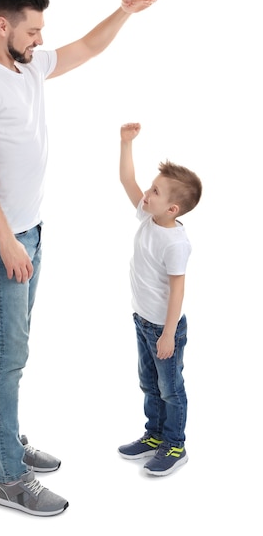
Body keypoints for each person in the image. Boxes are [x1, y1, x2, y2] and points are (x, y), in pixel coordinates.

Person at [0, 0, 158, 516]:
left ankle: (5, 446)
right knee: (9, 355)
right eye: (33, 29)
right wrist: (6, 240)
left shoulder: (30, 65)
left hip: (31, 231)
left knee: (15, 350)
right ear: (3, 25)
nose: (41, 38)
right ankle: (11, 481)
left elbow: (87, 48)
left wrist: (123, 14)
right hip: (4, 241)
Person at [117, 122, 202, 476]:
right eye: (151, 188)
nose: (146, 195)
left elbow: (177, 290)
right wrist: (125, 144)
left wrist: (168, 334)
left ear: (173, 210)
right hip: (142, 319)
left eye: (155, 192)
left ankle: (175, 444)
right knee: (148, 383)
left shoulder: (175, 243)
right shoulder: (149, 218)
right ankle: (154, 435)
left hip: (164, 329)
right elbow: (126, 181)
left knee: (171, 388)